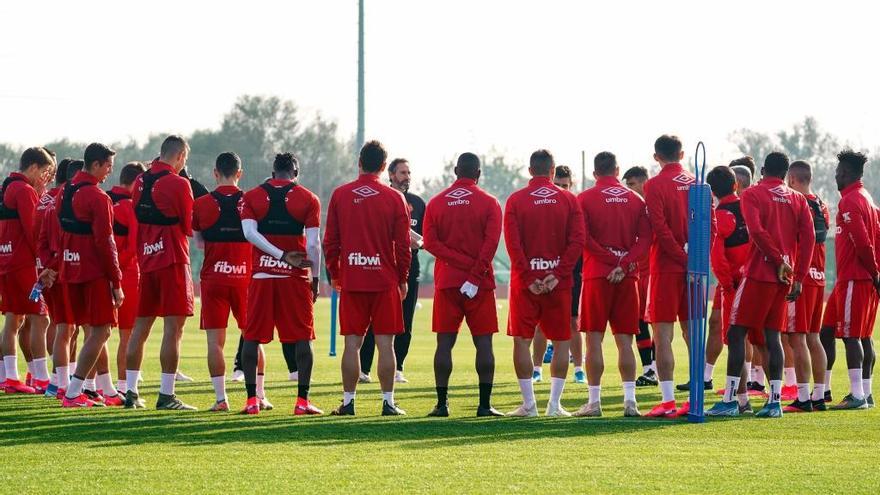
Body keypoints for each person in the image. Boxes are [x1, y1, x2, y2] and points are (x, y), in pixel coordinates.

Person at [707, 151, 815, 418]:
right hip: (783, 278)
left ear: (764, 169)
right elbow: (809, 237)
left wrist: (777, 259)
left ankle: (731, 401)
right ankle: (775, 402)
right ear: (785, 173)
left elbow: (756, 230)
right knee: (772, 337)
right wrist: (798, 276)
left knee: (736, 334)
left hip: (757, 274)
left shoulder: (754, 194)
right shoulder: (797, 198)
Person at [324, 140, 411, 416]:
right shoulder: (395, 198)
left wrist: (336, 274)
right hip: (384, 281)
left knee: (352, 343)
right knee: (386, 343)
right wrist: (402, 278)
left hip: (352, 279)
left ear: (359, 163)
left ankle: (348, 403)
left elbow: (331, 242)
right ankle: (388, 402)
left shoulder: (340, 194)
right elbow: (403, 245)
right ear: (385, 167)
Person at [238, 152, 322, 415]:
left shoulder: (251, 196)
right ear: (295, 174)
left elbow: (249, 233)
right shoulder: (308, 198)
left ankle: (252, 401)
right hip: (294, 279)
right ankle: (302, 402)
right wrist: (315, 277)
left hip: (261, 276)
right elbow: (313, 244)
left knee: (251, 337)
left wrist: (276, 256)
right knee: (302, 339)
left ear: (273, 173)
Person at [504, 149, 585, 417]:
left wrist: (529, 277)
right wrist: (558, 273)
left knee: (521, 341)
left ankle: (529, 405)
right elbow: (577, 242)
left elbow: (513, 245)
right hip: (557, 283)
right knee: (562, 341)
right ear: (552, 172)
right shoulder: (569, 200)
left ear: (530, 170)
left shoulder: (516, 200)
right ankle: (554, 405)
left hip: (525, 284)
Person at [422, 152, 504, 417]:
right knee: (484, 345)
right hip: (479, 284)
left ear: (456, 171)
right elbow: (491, 245)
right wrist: (474, 271)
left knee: (444, 344)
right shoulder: (490, 203)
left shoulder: (436, 203)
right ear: (478, 174)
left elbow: (431, 243)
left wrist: (460, 265)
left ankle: (442, 404)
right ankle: (484, 405)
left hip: (447, 282)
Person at [44, 143, 125, 407]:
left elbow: (61, 232)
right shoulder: (99, 198)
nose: (109, 173)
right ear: (97, 164)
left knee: (83, 331)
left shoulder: (64, 192)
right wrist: (116, 282)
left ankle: (106, 390)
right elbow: (106, 242)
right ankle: (73, 392)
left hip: (70, 271)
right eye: (108, 167)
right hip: (93, 274)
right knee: (100, 332)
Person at [574, 152, 651, 417]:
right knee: (625, 342)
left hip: (597, 275)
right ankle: (630, 402)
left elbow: (583, 238)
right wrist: (624, 261)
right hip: (627, 276)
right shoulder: (635, 199)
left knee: (593, 341)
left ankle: (594, 403)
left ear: (595, 173)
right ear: (617, 171)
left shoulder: (583, 199)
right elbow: (645, 240)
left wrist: (610, 260)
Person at [124, 135, 196, 410]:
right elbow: (189, 226)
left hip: (148, 260)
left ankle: (130, 392)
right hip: (173, 260)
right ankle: (166, 395)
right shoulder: (179, 184)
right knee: (173, 329)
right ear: (179, 157)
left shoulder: (141, 181)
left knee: (140, 327)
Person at [193, 153, 254, 412]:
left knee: (214, 343)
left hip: (214, 277)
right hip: (245, 277)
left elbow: (198, 243)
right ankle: (257, 396)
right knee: (252, 338)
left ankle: (221, 400)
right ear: (239, 173)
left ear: (215, 172)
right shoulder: (252, 201)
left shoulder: (201, 204)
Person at [359, 158, 424, 384]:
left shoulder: (418, 203)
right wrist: (410, 238)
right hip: (383, 265)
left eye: (408, 172)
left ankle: (398, 369)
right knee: (373, 320)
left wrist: (413, 239)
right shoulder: (381, 198)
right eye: (402, 172)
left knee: (405, 320)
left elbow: (423, 242)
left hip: (410, 267)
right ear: (391, 175)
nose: (406, 176)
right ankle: (364, 369)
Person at [643, 135, 694, 417]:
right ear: (682, 154)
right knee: (692, 334)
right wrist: (695, 259)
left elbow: (660, 230)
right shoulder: (698, 183)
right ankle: (695, 396)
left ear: (656, 157)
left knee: (663, 335)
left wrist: (680, 257)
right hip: (694, 270)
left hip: (665, 267)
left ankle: (668, 401)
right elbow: (709, 226)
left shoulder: (654, 185)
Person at [0, 147, 54, 394]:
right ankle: (41, 378)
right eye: (43, 172)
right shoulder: (23, 190)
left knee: (13, 319)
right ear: (32, 167)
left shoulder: (7, 187)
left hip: (6, 262)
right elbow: (34, 231)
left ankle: (9, 377)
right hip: (23, 266)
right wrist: (44, 261)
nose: (45, 177)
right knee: (41, 317)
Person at [830, 150, 878, 410]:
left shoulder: (849, 200)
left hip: (854, 277)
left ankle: (857, 395)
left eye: (838, 172)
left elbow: (863, 241)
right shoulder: (866, 198)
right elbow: (878, 237)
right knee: (864, 335)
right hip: (865, 278)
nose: (835, 176)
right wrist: (876, 273)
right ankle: (867, 394)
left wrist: (873, 271)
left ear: (846, 174)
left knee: (851, 336)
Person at [530, 165, 586, 384]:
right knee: (540, 323)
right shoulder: (542, 207)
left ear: (571, 186)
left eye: (565, 186)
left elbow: (580, 241)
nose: (561, 189)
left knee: (573, 322)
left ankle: (579, 368)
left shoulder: (575, 206)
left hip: (571, 272)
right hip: (543, 270)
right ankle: (536, 369)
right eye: (558, 185)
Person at [705, 165, 752, 414]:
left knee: (735, 341)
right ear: (735, 185)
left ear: (712, 192)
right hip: (758, 280)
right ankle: (765, 398)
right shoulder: (750, 206)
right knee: (765, 341)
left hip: (735, 285)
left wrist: (726, 284)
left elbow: (717, 257)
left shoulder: (720, 215)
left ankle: (734, 399)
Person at [783, 160, 830, 412]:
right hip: (819, 276)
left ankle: (802, 398)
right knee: (813, 338)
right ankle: (819, 395)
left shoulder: (797, 203)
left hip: (801, 277)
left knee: (796, 338)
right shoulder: (822, 204)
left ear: (791, 180)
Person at [107, 162, 145, 395]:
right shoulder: (131, 207)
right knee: (127, 336)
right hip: (127, 276)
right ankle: (123, 387)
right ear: (135, 182)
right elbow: (133, 248)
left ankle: (93, 386)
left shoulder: (106, 200)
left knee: (96, 334)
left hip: (102, 273)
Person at [623, 165, 656, 386]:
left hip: (654, 272)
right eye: (628, 186)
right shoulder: (632, 207)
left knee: (657, 323)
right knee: (638, 322)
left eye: (633, 184)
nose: (631, 190)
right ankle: (649, 369)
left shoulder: (654, 205)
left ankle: (654, 369)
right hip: (638, 271)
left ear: (644, 182)